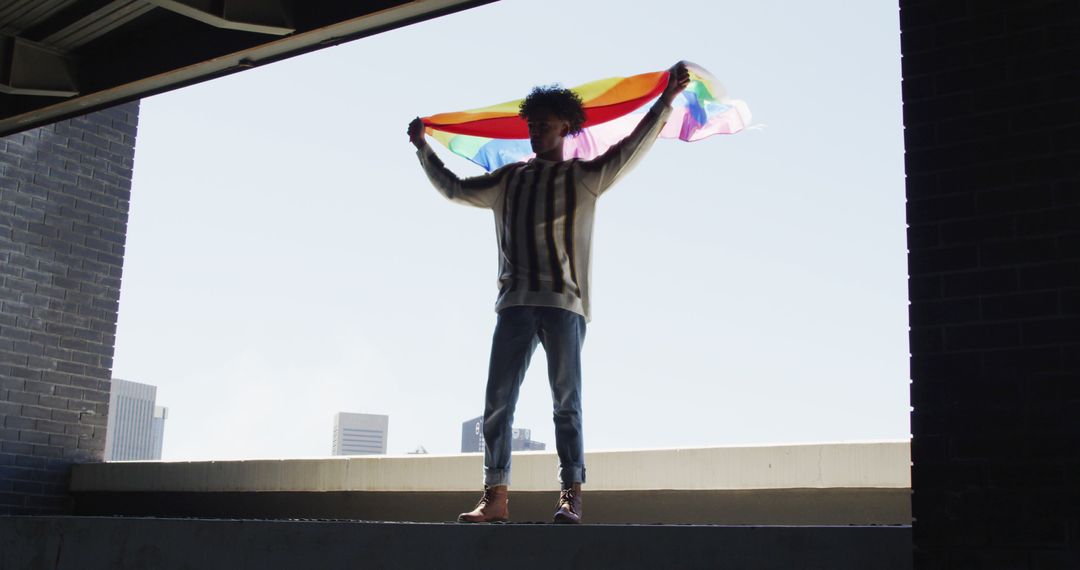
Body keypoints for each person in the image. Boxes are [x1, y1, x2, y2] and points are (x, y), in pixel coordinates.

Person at [407, 61, 690, 524]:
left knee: (567, 403)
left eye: (545, 124)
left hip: (564, 306)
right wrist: (422, 149)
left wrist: (665, 101)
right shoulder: (509, 179)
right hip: (514, 304)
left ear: (567, 127)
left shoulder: (585, 176)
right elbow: (455, 189)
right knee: (497, 401)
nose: (537, 131)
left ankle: (571, 496)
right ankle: (495, 497)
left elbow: (632, 148)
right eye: (532, 125)